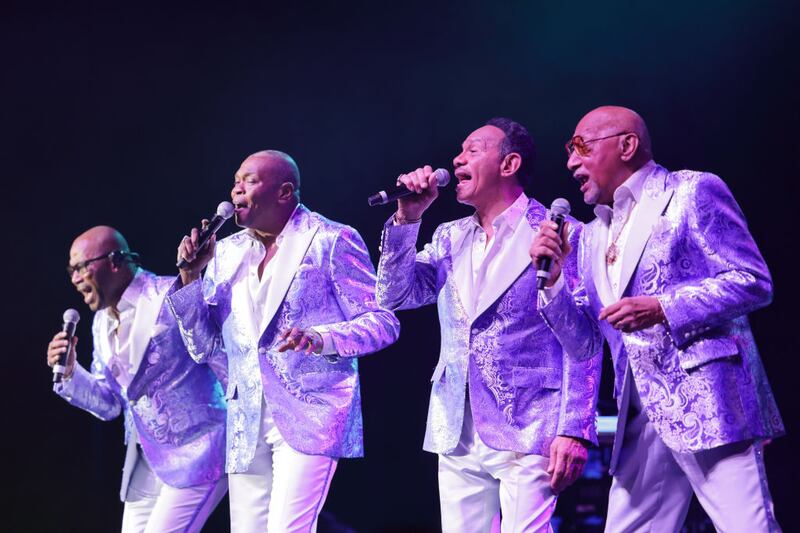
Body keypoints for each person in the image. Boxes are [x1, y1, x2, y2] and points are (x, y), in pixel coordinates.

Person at [531, 105, 784, 532]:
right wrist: (553, 283)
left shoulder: (691, 192)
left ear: (626, 145)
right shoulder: (592, 236)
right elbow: (587, 343)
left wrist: (663, 307)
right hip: (639, 411)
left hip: (708, 397)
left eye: (580, 146)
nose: (571, 161)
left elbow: (752, 280)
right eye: (568, 150)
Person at [376, 118, 601, 532]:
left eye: (473, 150)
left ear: (509, 163)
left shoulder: (560, 233)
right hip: (455, 420)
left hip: (531, 420)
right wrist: (408, 219)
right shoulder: (448, 237)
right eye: (459, 152)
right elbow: (393, 297)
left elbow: (584, 341)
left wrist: (575, 429)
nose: (457, 159)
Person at [168, 150, 400, 532]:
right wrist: (192, 279)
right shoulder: (225, 253)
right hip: (246, 418)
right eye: (235, 180)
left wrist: (321, 337)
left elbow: (383, 321)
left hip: (310, 409)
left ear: (284, 192)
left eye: (249, 180)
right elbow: (203, 347)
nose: (236, 189)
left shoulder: (331, 239)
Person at [46, 226, 228, 533]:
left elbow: (217, 353)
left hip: (200, 449)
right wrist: (70, 372)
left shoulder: (169, 295)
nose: (74, 278)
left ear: (114, 261)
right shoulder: (101, 322)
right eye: (71, 270)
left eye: (80, 267)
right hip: (147, 462)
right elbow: (109, 405)